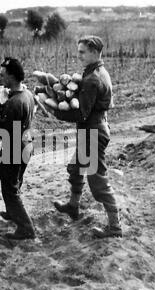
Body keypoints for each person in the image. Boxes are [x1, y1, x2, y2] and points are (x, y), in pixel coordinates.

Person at [48, 36, 122, 238]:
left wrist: (55, 111)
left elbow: (81, 113)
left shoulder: (93, 79)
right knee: (75, 168)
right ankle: (73, 206)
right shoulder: (97, 72)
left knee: (97, 180)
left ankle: (115, 227)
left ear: (94, 52)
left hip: (93, 132)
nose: (78, 55)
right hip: (93, 129)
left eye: (82, 52)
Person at [0, 57, 35, 240]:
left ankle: (26, 228)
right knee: (16, 181)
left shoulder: (13, 102)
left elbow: (3, 132)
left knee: (9, 189)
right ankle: (13, 212)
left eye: (3, 74)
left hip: (13, 148)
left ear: (12, 76)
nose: (1, 77)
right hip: (26, 144)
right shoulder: (27, 95)